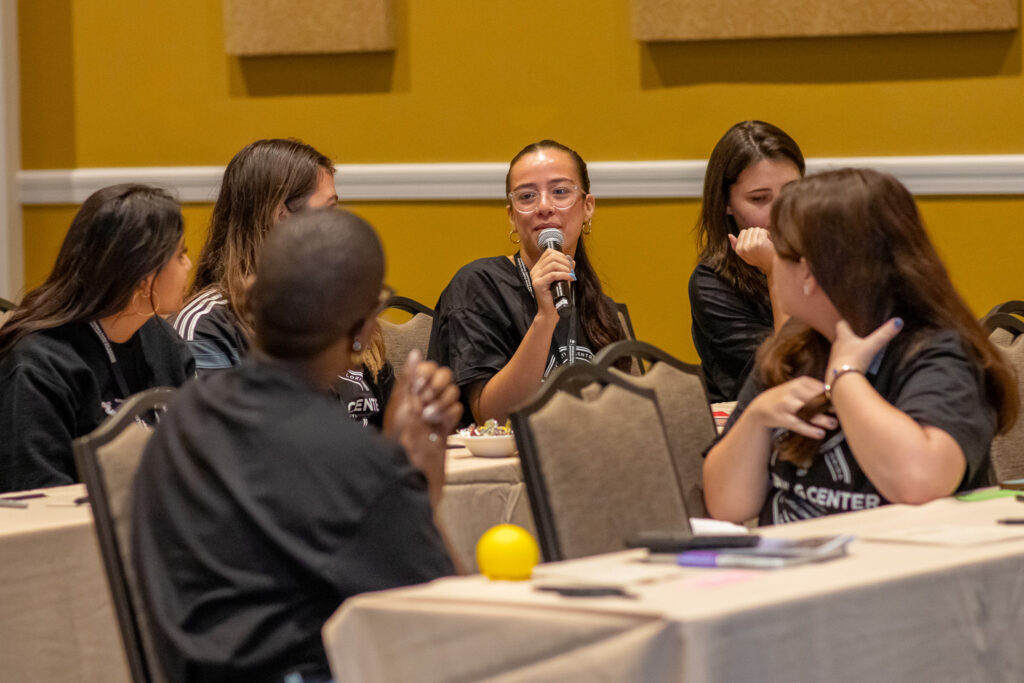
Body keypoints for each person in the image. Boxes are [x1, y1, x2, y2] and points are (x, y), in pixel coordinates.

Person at [133, 208, 462, 683]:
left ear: (250, 300)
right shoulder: (357, 463)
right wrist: (417, 490)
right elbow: (441, 623)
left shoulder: (178, 421)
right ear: (365, 328)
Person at [703, 168, 1018, 525]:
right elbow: (726, 507)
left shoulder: (939, 353)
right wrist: (757, 418)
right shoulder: (793, 351)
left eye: (782, 252)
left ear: (807, 274)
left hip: (911, 573)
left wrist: (846, 377)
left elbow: (921, 482)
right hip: (793, 574)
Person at [174, 138, 394, 428]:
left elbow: (392, 434)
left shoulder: (338, 307)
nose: (339, 226)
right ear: (282, 219)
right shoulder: (207, 323)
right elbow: (218, 448)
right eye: (327, 211)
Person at [0, 184, 194, 493]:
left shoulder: (165, 344)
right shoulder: (37, 365)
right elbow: (36, 496)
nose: (189, 265)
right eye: (181, 254)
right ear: (143, 277)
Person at [429, 139, 627, 425]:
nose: (544, 207)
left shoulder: (599, 307)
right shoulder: (479, 286)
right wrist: (545, 319)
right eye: (526, 197)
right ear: (511, 216)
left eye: (560, 192)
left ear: (588, 207)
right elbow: (493, 418)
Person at [688, 121, 805, 403]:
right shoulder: (711, 283)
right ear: (727, 204)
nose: (781, 211)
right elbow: (784, 376)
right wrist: (776, 269)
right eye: (759, 198)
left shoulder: (829, 253)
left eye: (792, 191)